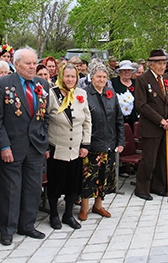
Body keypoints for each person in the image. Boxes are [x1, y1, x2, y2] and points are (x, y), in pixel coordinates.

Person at [0, 47, 50, 245]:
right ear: (16, 65)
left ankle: (27, 225)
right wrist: (4, 146)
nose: (33, 67)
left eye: (35, 63)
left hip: (35, 146)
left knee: (33, 188)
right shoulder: (3, 84)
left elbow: (45, 116)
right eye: (28, 63)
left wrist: (44, 140)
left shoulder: (42, 84)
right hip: (12, 147)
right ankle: (8, 229)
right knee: (11, 189)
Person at [46, 64, 91, 230]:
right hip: (57, 147)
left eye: (73, 77)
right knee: (55, 184)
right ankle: (53, 215)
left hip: (76, 148)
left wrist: (85, 144)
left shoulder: (82, 94)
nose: (70, 79)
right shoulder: (52, 94)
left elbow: (87, 121)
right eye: (67, 76)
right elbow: (44, 120)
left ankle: (68, 214)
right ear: (61, 76)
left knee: (73, 184)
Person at [78, 62, 125, 221]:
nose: (102, 79)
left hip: (109, 142)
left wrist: (120, 141)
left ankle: (98, 205)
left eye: (104, 77)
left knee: (105, 176)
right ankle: (84, 207)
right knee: (88, 177)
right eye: (99, 76)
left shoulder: (110, 93)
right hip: (91, 143)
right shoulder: (84, 93)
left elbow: (119, 118)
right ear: (92, 77)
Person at [133, 49, 168, 201]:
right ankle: (142, 188)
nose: (162, 66)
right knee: (149, 160)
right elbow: (142, 105)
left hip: (166, 126)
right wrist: (160, 120)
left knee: (162, 159)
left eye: (164, 63)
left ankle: (158, 186)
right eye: (159, 63)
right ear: (151, 64)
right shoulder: (143, 79)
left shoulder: (166, 78)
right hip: (151, 126)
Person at [111, 60, 138, 129]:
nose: (127, 72)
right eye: (124, 70)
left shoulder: (136, 83)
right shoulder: (113, 82)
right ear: (120, 71)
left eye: (129, 70)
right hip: (117, 119)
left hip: (134, 118)